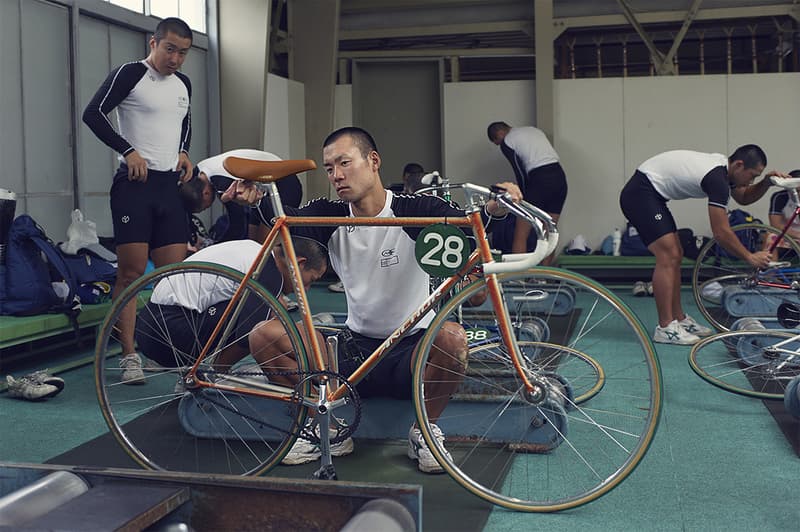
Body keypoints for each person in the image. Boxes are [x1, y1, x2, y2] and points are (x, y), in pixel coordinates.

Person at [246, 126, 521, 473]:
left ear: (373, 161)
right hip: (352, 352)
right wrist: (255, 200)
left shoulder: (417, 208)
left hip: (412, 351)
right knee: (264, 336)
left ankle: (425, 430)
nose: (337, 175)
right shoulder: (326, 214)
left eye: (345, 163)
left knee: (452, 337)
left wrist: (497, 207)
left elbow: (469, 224)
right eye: (330, 168)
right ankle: (327, 429)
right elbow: (282, 217)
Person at [82, 17, 194, 385]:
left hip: (168, 188)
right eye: (170, 49)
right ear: (153, 43)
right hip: (135, 185)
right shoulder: (131, 74)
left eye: (183, 52)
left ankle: (169, 350)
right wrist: (128, 150)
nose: (175, 58)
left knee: (174, 277)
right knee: (130, 274)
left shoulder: (183, 84)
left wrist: (183, 152)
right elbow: (92, 114)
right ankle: (129, 355)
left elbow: (184, 121)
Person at [619, 145, 789, 345]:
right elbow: (721, 232)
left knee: (676, 254)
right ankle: (665, 327)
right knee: (668, 255)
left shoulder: (726, 172)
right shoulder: (717, 179)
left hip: (651, 195)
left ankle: (679, 319)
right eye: (752, 176)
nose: (751, 182)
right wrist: (750, 257)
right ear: (739, 165)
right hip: (640, 195)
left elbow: (743, 198)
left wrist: (766, 183)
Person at [135, 237, 327, 371]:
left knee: (270, 309)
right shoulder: (269, 271)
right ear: (300, 263)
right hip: (167, 332)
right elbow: (247, 335)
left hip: (150, 322)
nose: (307, 289)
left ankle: (208, 371)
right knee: (259, 325)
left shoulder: (254, 249)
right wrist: (220, 370)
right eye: (311, 280)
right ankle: (213, 375)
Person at [180, 149, 304, 245]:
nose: (208, 207)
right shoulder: (197, 172)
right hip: (261, 191)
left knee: (262, 248)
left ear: (205, 193)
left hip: (285, 186)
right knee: (253, 243)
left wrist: (217, 246)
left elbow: (237, 225)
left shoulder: (223, 182)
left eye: (204, 207)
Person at [487, 121, 567, 263]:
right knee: (550, 232)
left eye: (497, 143)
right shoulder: (532, 130)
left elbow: (519, 171)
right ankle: (545, 278)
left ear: (498, 134)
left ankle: (519, 279)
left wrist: (521, 197)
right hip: (559, 177)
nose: (500, 146)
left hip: (539, 179)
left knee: (521, 233)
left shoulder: (507, 141)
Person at [765, 169, 800, 259]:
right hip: (788, 236)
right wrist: (797, 235)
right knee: (770, 236)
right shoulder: (779, 197)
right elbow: (775, 225)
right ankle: (771, 271)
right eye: (796, 190)